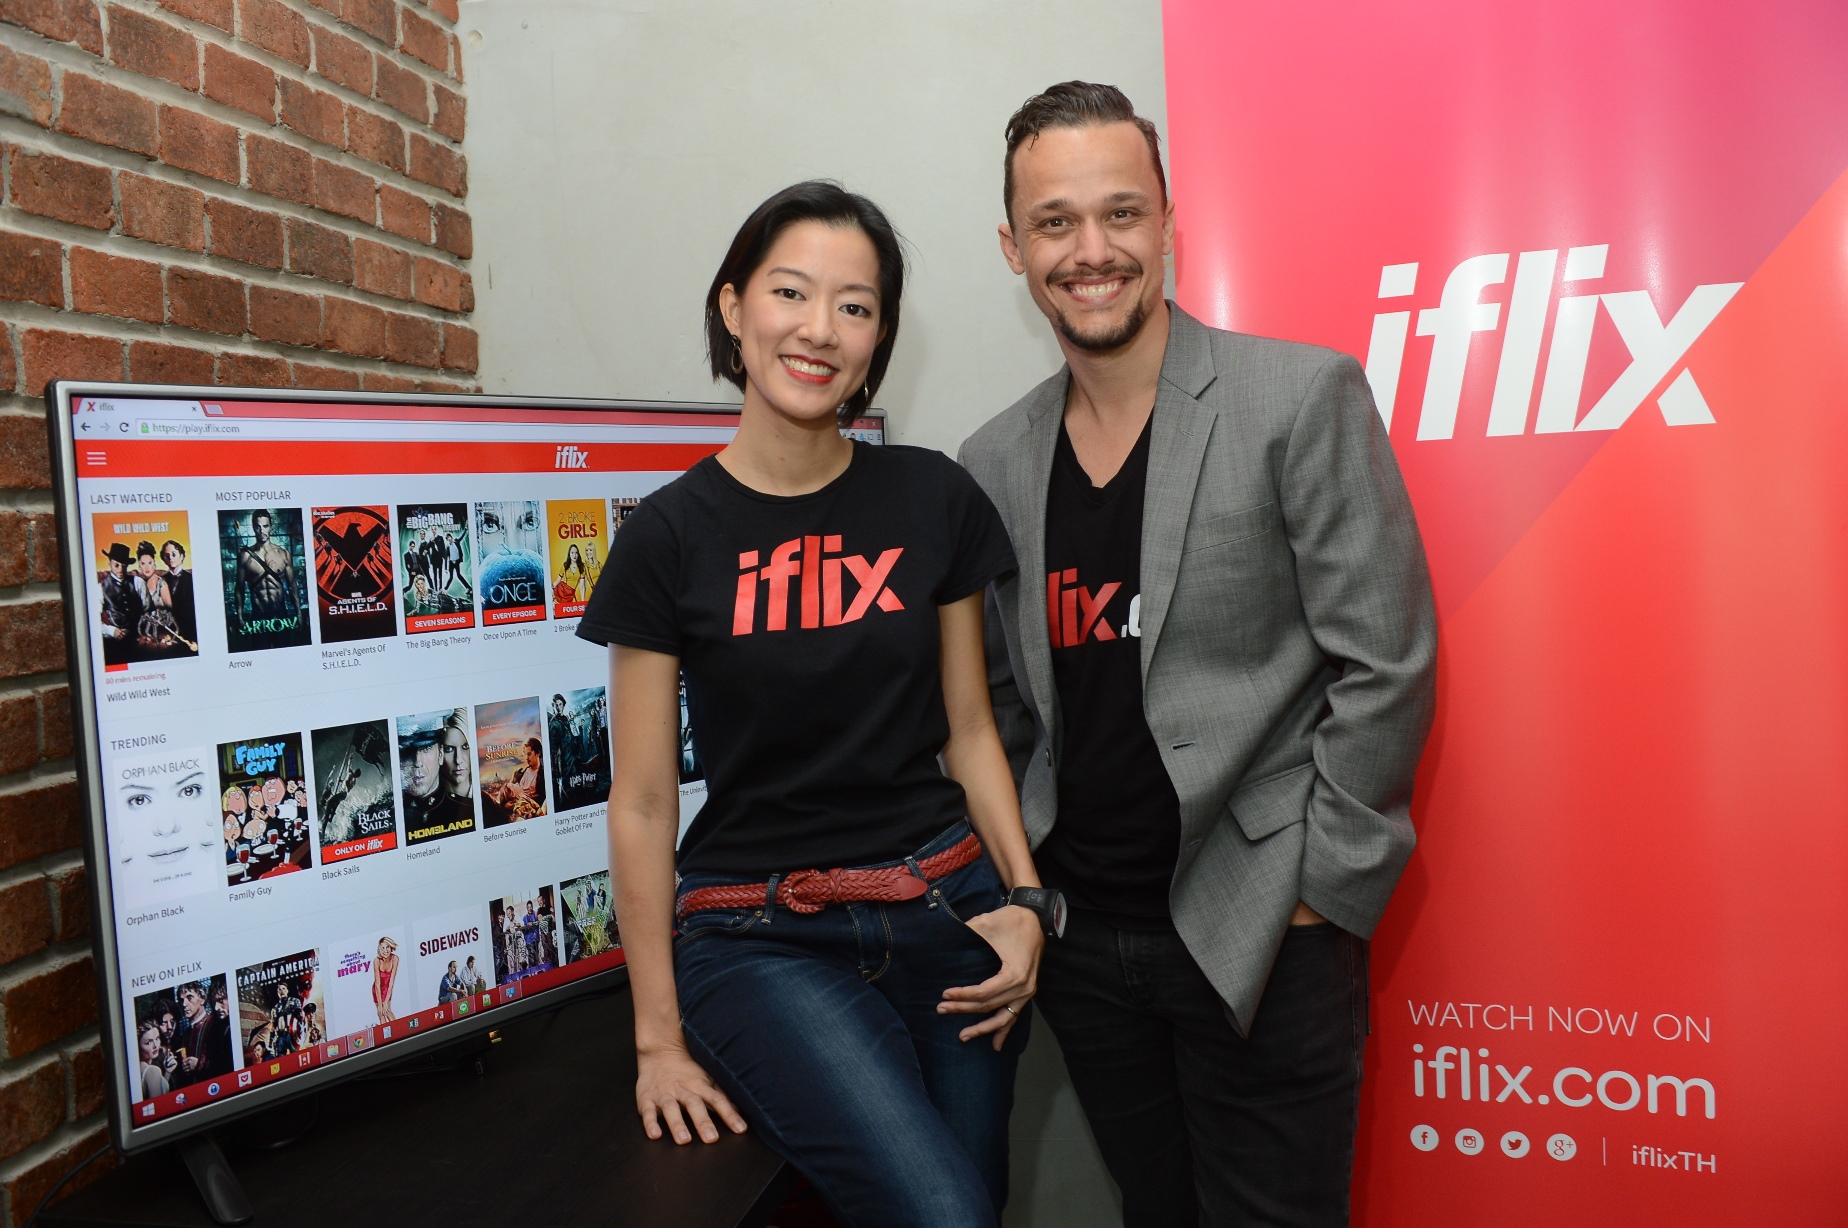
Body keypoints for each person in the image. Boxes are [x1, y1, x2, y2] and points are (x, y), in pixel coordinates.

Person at [958, 83, 1438, 1228]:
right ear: (1014, 247)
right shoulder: (992, 459)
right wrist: (1030, 887)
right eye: (1056, 221)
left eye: (1122, 212)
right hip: (1086, 949)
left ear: (1170, 220)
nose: (1092, 250)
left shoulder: (1298, 396)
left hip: (1264, 928)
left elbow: (1388, 660)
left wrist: (1321, 895)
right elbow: (1003, 705)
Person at [580, 180, 1059, 1228]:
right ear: (733, 306)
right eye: (790, 292)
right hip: (761, 938)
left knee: (977, 1204)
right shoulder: (667, 536)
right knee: (944, 1214)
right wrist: (657, 1039)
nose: (819, 329)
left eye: (855, 305)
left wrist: (1026, 903)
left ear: (880, 336)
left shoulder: (932, 497)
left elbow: (971, 730)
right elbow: (644, 802)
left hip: (949, 909)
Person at [136, 1021, 170, 1100]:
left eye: (157, 1038)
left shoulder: (138, 1068)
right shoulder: (153, 1071)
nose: (155, 1045)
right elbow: (159, 1104)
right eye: (148, 1042)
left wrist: (168, 1072)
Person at [373, 936, 399, 1023]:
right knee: (381, 1013)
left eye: (387, 947)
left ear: (391, 947)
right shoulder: (377, 961)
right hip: (377, 990)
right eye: (382, 948)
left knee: (387, 1011)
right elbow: (377, 985)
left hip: (388, 989)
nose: (385, 950)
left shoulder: (395, 959)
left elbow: (391, 983)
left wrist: (386, 1002)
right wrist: (380, 1004)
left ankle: (397, 1028)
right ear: (379, 949)